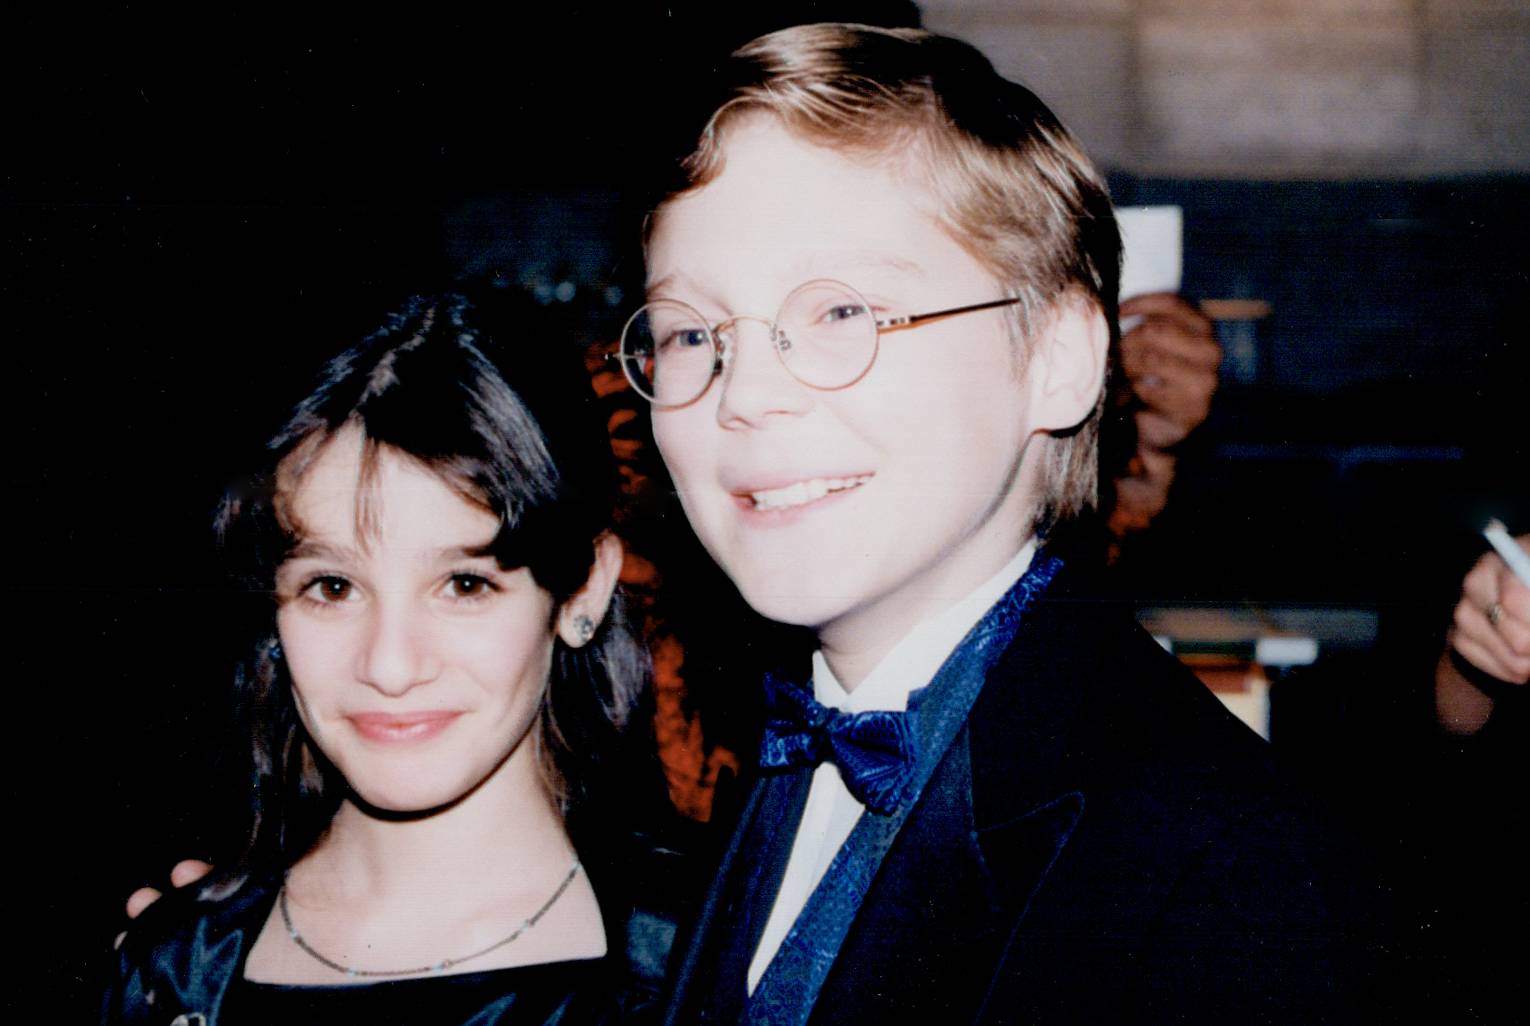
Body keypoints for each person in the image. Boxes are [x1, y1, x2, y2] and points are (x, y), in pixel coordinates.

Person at [611, 23, 1355, 1025]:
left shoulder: (1210, 855)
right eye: (694, 333)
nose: (743, 394)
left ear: (1054, 360)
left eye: (841, 314)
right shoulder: (779, 737)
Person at [102, 293, 667, 1024]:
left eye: (465, 585)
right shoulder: (184, 972)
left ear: (582, 589)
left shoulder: (706, 958)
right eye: (331, 586)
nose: (391, 667)